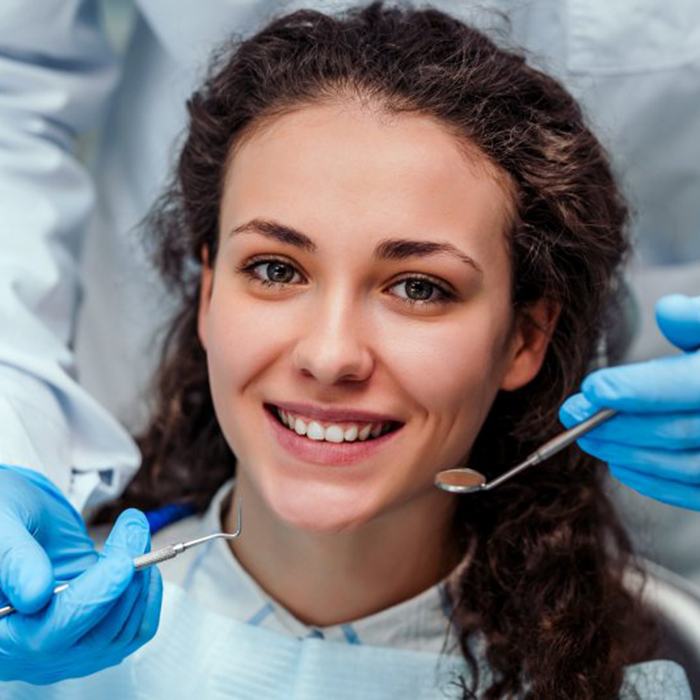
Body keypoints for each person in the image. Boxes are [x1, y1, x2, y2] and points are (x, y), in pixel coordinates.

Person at [0, 0, 698, 688]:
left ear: (526, 335)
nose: (331, 356)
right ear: (208, 292)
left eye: (420, 287)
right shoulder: (36, 647)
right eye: (275, 269)